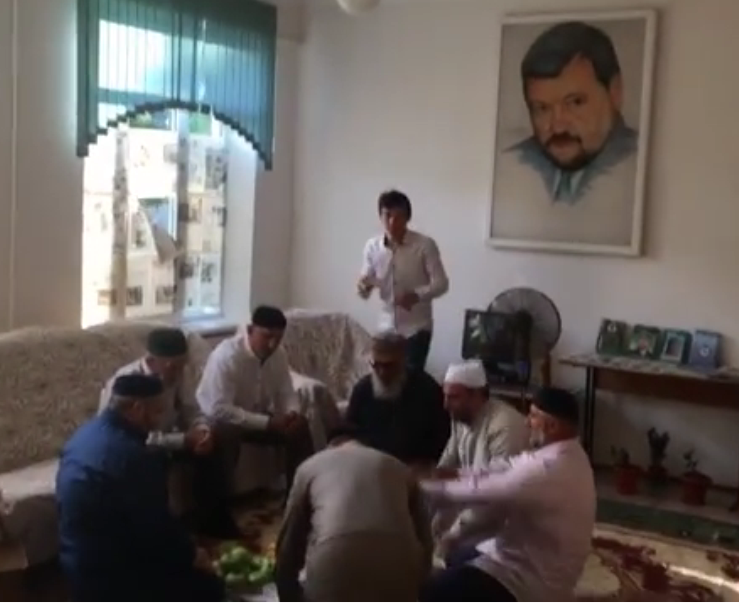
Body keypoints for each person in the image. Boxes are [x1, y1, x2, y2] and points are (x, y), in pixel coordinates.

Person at [57, 374, 226, 601]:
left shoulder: (83, 434)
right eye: (157, 411)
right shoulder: (132, 457)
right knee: (209, 587)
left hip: (75, 564)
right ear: (137, 409)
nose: (159, 420)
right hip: (111, 578)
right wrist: (192, 554)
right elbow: (156, 527)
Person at [419, 387, 596, 601]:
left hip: (527, 581)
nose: (527, 422)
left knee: (431, 591)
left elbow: (481, 491)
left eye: (533, 416)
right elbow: (507, 466)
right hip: (531, 559)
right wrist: (456, 473)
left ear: (551, 426)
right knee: (455, 556)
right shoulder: (570, 454)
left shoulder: (548, 469)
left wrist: (421, 486)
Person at [492, 21, 638, 247]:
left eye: (575, 103)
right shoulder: (515, 163)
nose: (558, 127)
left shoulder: (634, 160)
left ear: (615, 92)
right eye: (541, 108)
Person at [99, 327, 238, 537]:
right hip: (136, 446)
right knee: (151, 462)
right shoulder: (125, 383)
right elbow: (125, 437)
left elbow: (192, 409)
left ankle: (213, 524)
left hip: (170, 438)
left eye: (181, 365)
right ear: (151, 360)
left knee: (214, 446)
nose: (178, 372)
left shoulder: (177, 374)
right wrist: (184, 440)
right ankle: (162, 533)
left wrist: (202, 430)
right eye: (172, 366)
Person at [274, 425, 433, 601]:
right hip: (400, 561)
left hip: (335, 556)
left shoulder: (310, 466)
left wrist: (289, 595)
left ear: (330, 446)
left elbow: (288, 548)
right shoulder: (400, 467)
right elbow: (426, 540)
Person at [196, 305, 313, 499]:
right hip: (219, 418)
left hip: (256, 415)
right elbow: (219, 408)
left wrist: (292, 413)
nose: (272, 344)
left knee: (299, 427)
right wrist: (267, 423)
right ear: (250, 330)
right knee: (226, 433)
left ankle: (298, 499)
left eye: (278, 338)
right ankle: (219, 509)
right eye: (267, 337)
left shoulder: (278, 354)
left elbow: (286, 390)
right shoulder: (227, 356)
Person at [431, 360, 528, 554]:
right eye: (445, 396)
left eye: (453, 397)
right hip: (473, 507)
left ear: (477, 395)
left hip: (502, 525)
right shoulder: (461, 416)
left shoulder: (504, 426)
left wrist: (452, 536)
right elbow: (447, 463)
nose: (445, 405)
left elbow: (497, 496)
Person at [357, 189, 449, 370]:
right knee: (383, 377)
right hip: (385, 327)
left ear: (407, 218)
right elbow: (365, 286)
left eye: (398, 216)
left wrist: (416, 295)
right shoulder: (372, 247)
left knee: (410, 379)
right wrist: (363, 287)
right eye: (387, 215)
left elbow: (442, 283)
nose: (392, 222)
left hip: (417, 328)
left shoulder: (425, 245)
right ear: (380, 216)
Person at [345, 330, 449, 467]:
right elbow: (349, 430)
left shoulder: (427, 388)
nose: (382, 372)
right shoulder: (362, 389)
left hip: (415, 468)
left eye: (389, 366)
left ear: (403, 360)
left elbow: (442, 436)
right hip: (370, 465)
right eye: (376, 365)